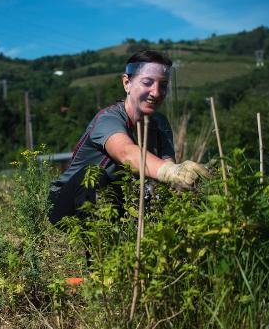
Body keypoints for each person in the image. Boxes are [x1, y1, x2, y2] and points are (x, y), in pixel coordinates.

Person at [48, 50, 208, 225]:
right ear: (127, 83)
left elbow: (165, 168)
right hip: (66, 205)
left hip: (116, 202)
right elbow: (126, 153)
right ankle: (96, 248)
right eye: (147, 82)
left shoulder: (160, 124)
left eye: (163, 85)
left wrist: (182, 176)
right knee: (93, 176)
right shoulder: (108, 119)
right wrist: (169, 171)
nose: (156, 92)